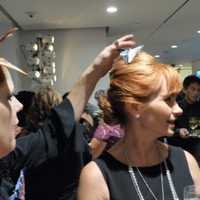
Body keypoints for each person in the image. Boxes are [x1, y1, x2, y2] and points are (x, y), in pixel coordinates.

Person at [0, 27, 135, 200]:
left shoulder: (10, 155)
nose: (18, 105)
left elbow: (55, 129)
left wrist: (96, 69)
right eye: (8, 97)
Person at [78, 49, 200, 200]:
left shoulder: (186, 162)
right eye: (168, 100)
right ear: (135, 107)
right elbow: (94, 148)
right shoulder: (96, 178)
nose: (178, 109)